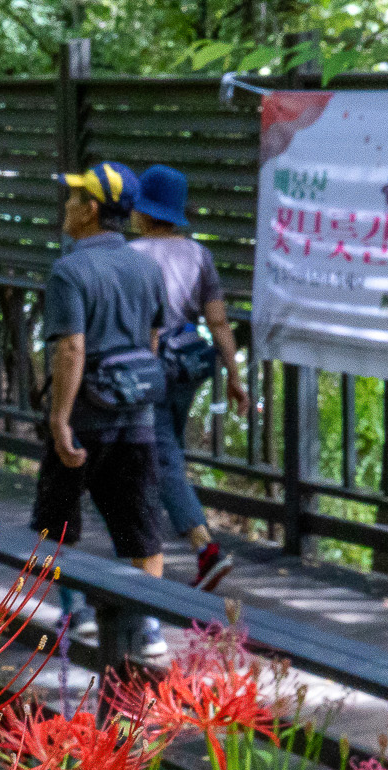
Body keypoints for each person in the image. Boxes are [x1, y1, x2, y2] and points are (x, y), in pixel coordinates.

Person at [30, 161, 171, 666]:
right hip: (135, 417)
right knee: (141, 528)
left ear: (91, 209)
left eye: (73, 200)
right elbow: (153, 340)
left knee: (57, 522)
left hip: (85, 419)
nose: (66, 208)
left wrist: (59, 419)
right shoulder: (147, 268)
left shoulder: (69, 271)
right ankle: (148, 625)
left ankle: (77, 613)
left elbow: (71, 348)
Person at [129, 163, 250, 592]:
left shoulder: (132, 255)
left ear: (144, 211)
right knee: (167, 448)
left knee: (162, 455)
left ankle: (205, 549)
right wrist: (235, 376)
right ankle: (152, 534)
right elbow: (217, 322)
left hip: (150, 365)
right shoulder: (199, 255)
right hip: (190, 367)